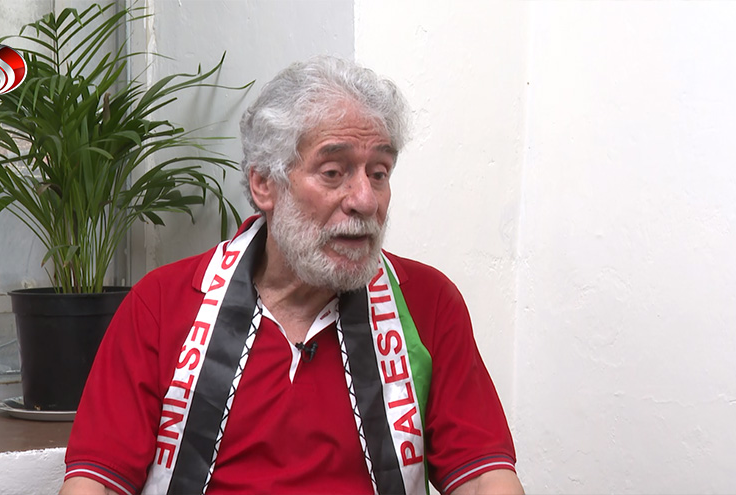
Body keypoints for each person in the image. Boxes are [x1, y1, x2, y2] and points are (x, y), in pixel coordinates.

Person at [60, 56, 523, 495]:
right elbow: (97, 481)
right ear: (265, 184)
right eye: (334, 172)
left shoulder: (427, 301)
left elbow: (484, 477)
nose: (365, 200)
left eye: (379, 173)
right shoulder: (163, 303)